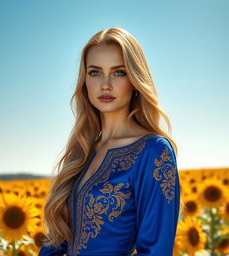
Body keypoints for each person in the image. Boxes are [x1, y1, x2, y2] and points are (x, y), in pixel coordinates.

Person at [38, 27, 180, 256]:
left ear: (135, 79)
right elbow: (55, 240)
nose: (105, 84)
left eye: (119, 72)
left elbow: (156, 251)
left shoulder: (154, 152)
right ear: (84, 80)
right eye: (95, 72)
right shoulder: (82, 150)